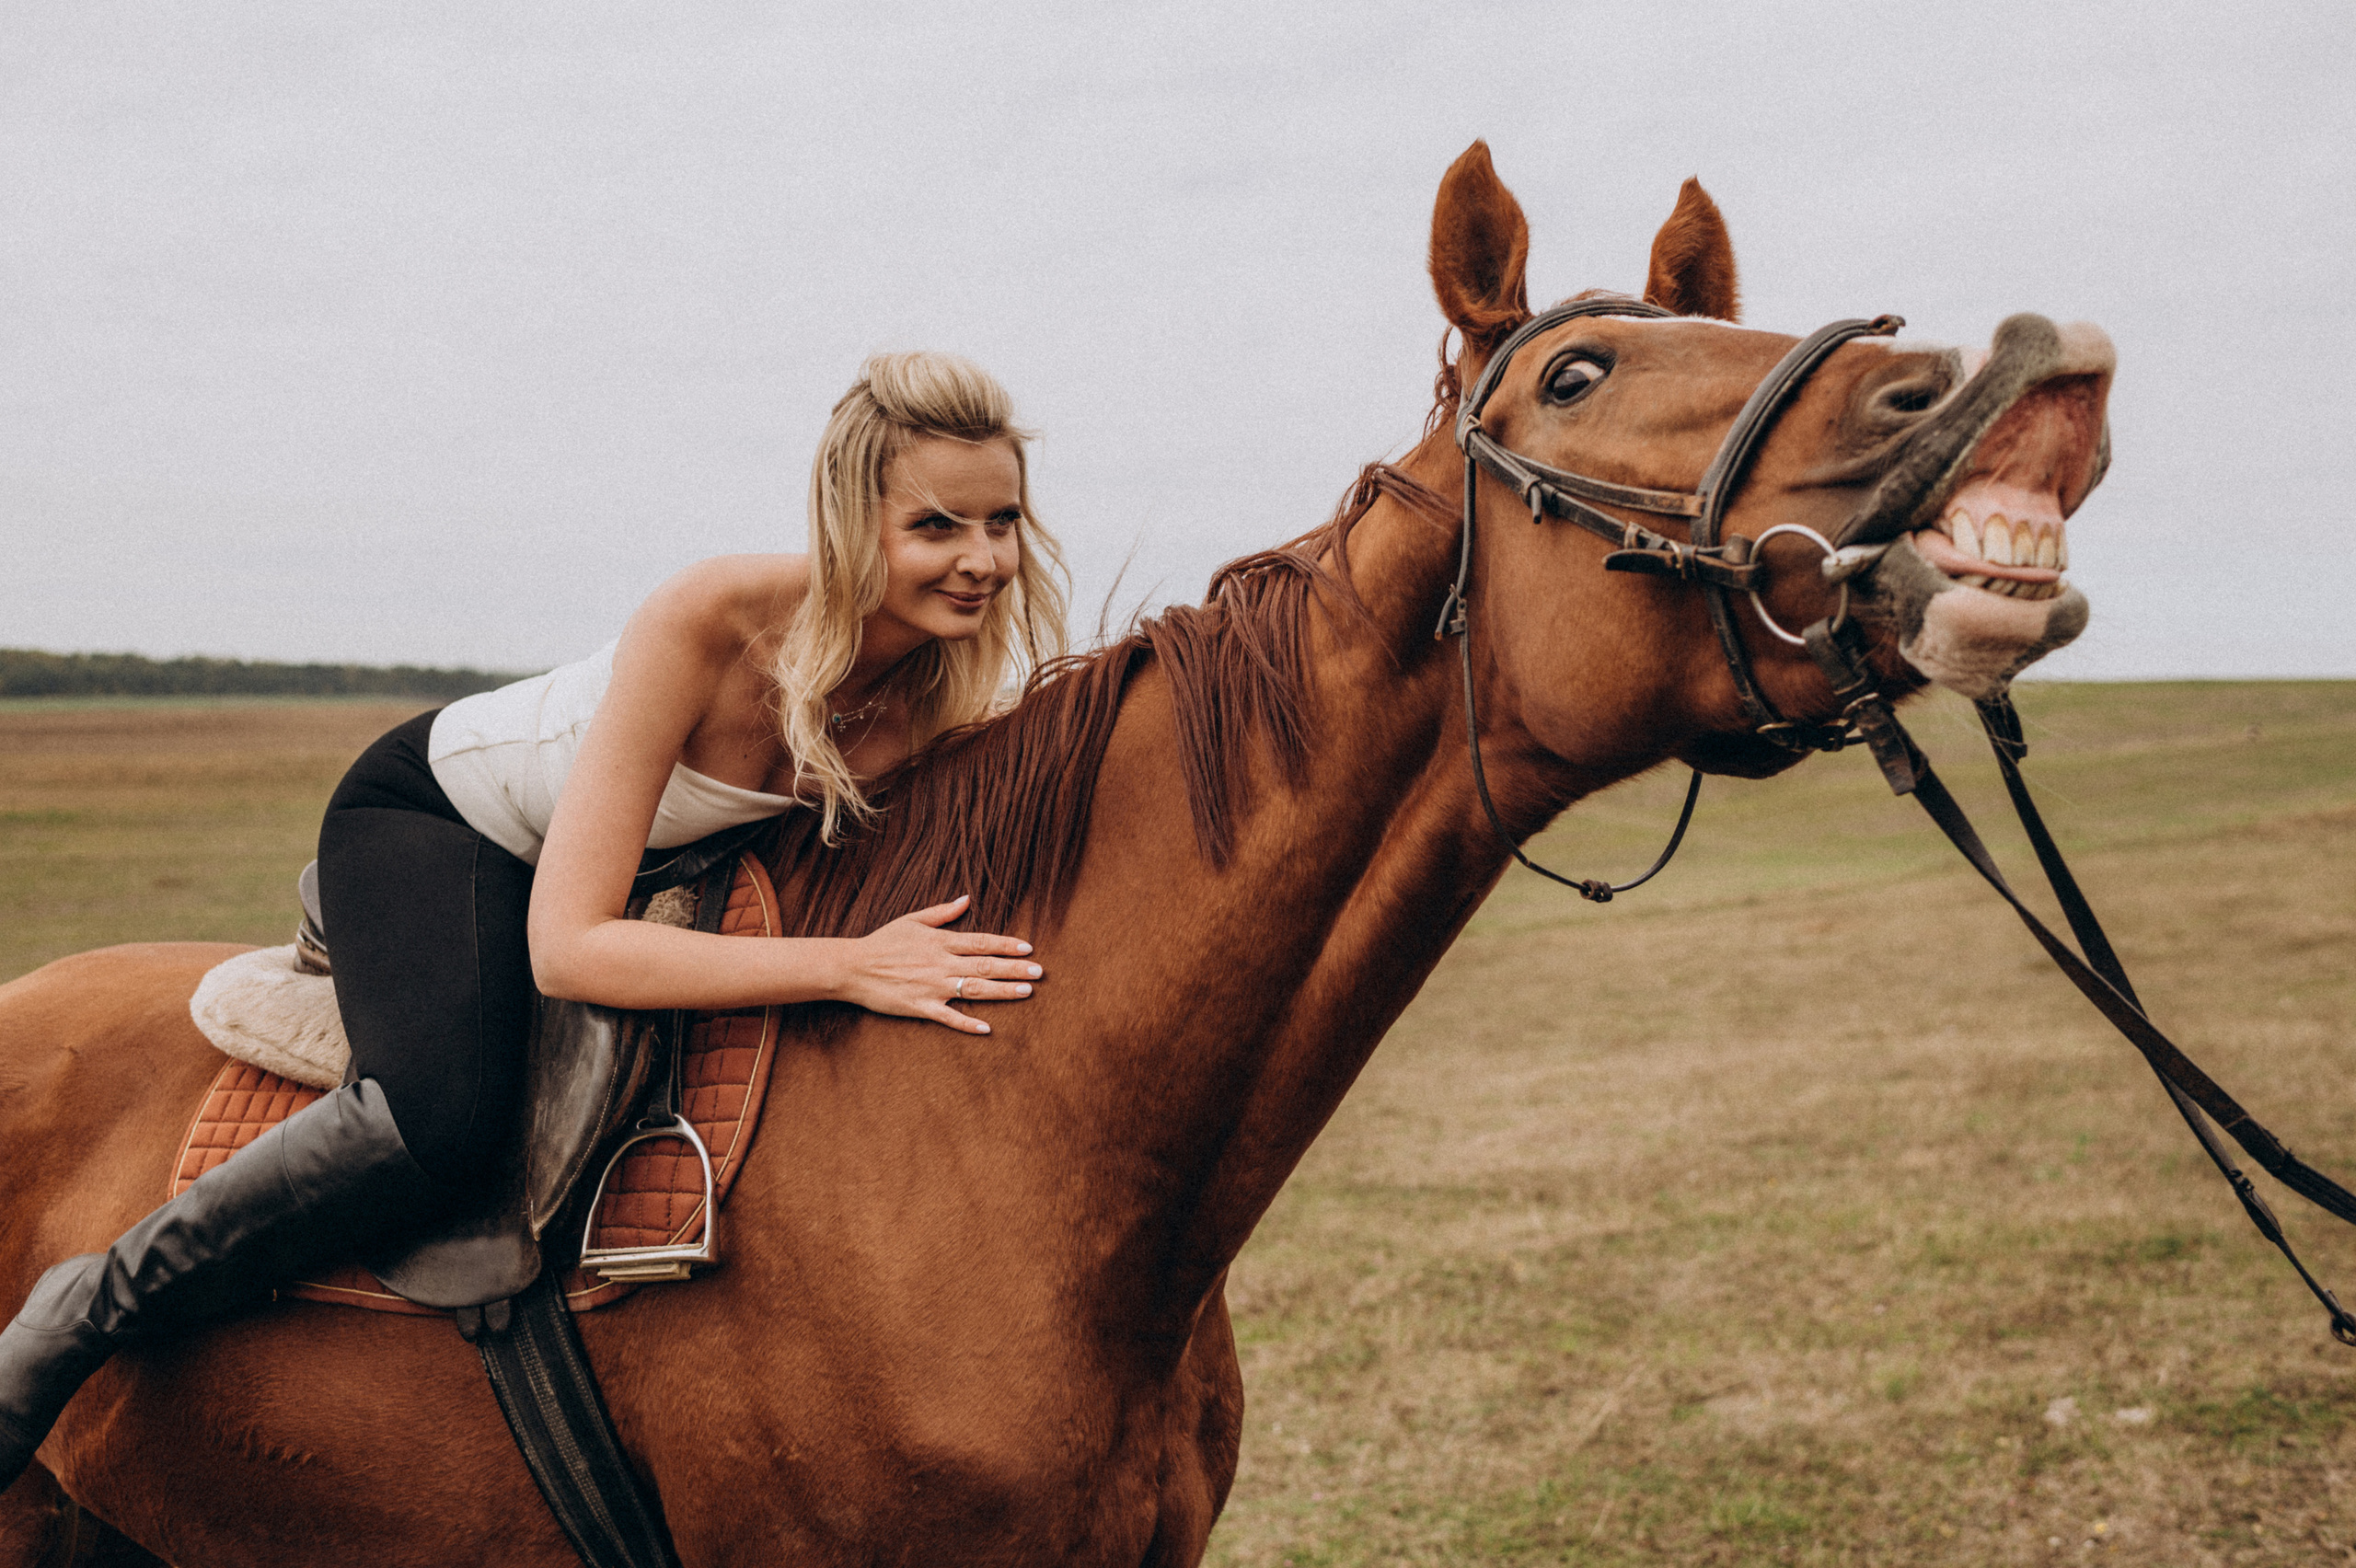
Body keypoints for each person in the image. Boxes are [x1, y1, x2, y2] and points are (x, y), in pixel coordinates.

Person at [0, 351, 1068, 1487]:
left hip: (640, 858)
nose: (982, 561)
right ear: (854, 521)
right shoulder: (715, 618)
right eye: (938, 525)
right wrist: (850, 967)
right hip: (442, 822)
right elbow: (569, 949)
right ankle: (84, 1308)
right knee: (444, 1116)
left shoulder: (943, 694)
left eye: (1002, 522)